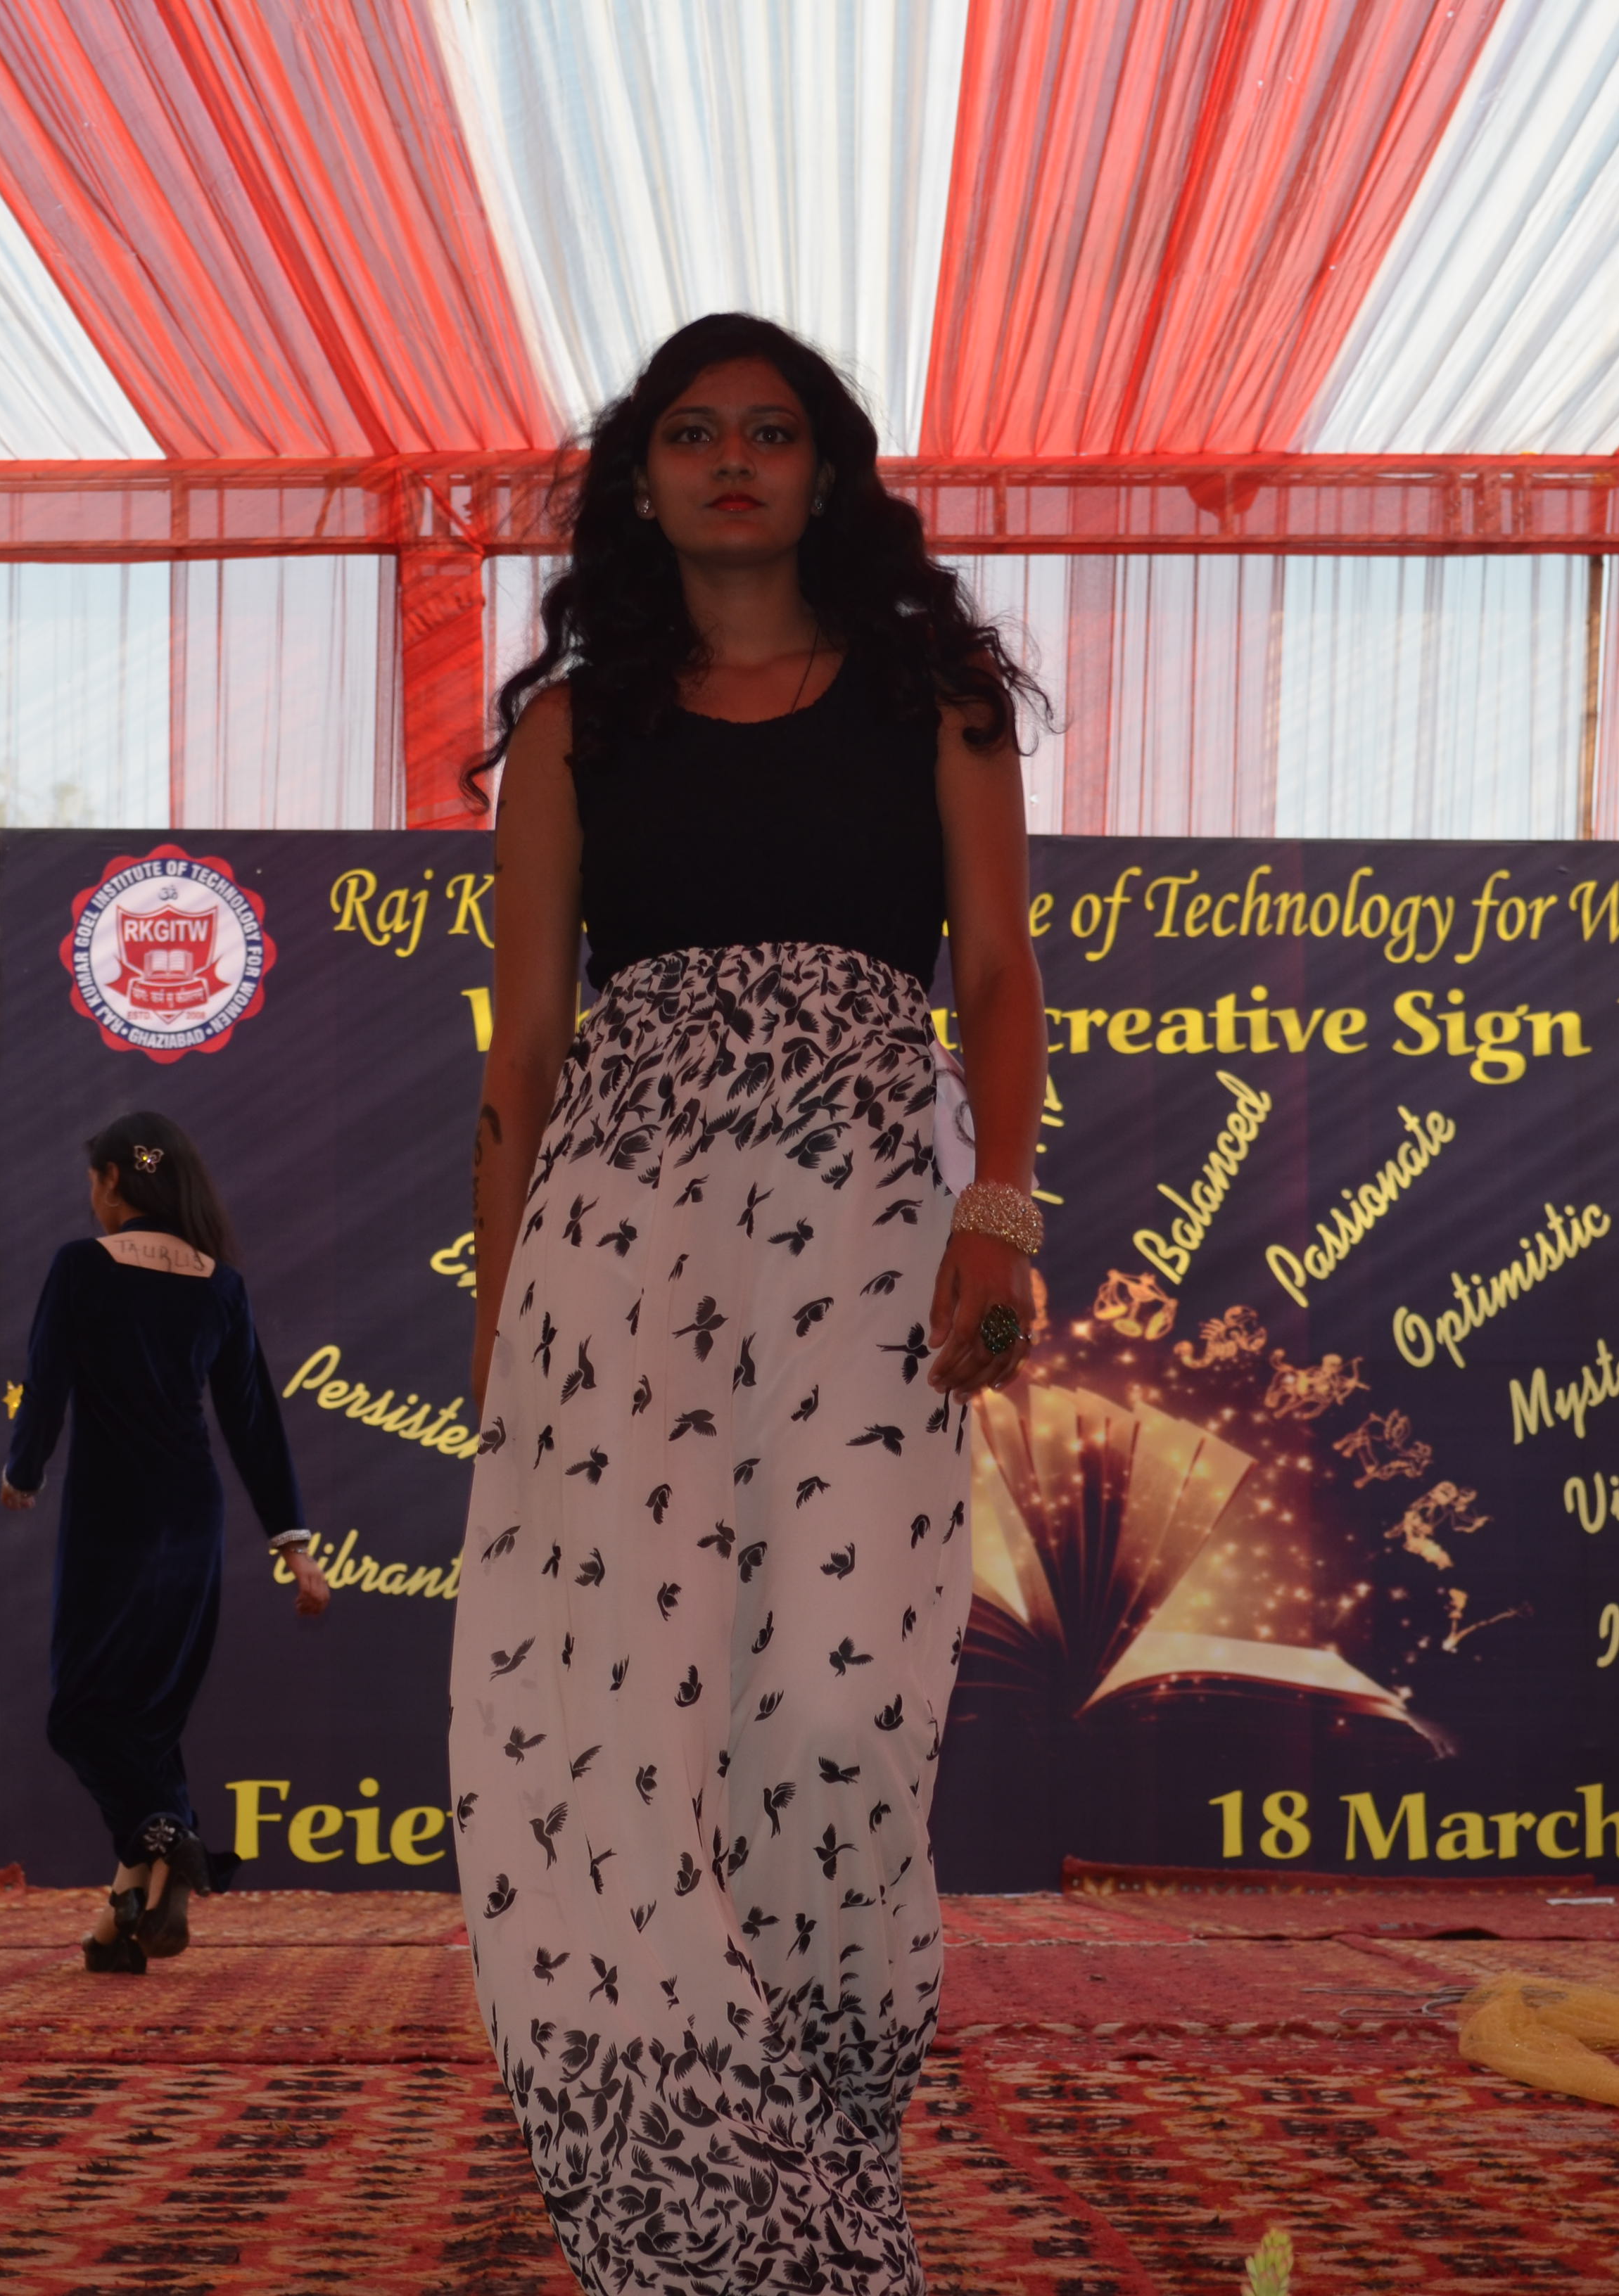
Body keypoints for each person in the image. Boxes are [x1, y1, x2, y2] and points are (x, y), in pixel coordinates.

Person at [450, 311, 1048, 2295]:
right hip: (621, 1250)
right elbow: (526, 1052)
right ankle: (693, 2198)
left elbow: (996, 976)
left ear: (825, 471)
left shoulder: (936, 698)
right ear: (642, 479)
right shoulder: (575, 731)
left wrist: (1000, 1207)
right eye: (694, 432)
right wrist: (500, 1334)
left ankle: (823, 2125)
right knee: (624, 1718)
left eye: (770, 432)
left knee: (841, 1706)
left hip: (869, 1232)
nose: (732, 461)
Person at [0, 1113, 334, 1972]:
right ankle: (123, 1926)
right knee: (147, 1718)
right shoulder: (219, 1284)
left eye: (93, 1180)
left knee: (82, 1713)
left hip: (111, 1518)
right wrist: (294, 1547)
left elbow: (47, 1380)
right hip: (191, 1518)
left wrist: (24, 1471)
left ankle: (167, 1833)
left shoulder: (80, 1266)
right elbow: (254, 1423)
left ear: (114, 1178)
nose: (91, 1196)